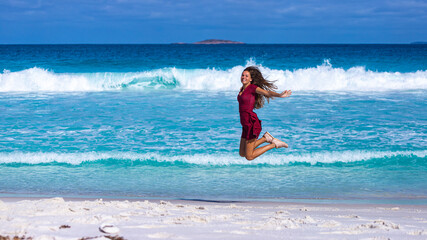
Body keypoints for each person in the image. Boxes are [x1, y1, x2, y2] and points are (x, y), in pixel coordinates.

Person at [238, 66, 292, 161]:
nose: (244, 77)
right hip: (245, 125)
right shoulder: (242, 89)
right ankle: (265, 138)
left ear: (251, 79)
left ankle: (274, 144)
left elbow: (267, 93)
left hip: (251, 123)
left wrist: (280, 95)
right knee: (242, 153)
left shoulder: (252, 88)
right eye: (242, 75)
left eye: (246, 76)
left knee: (249, 156)